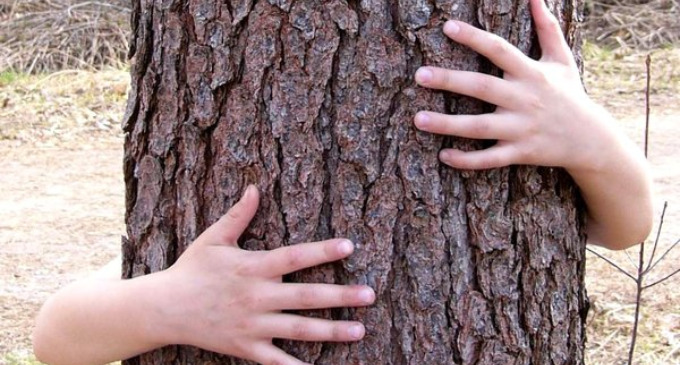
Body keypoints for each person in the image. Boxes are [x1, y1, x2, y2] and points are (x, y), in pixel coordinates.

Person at [32, 0, 654, 364]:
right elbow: (55, 337)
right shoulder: (205, 246)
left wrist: (590, 140)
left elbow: (620, 226)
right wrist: (167, 305)